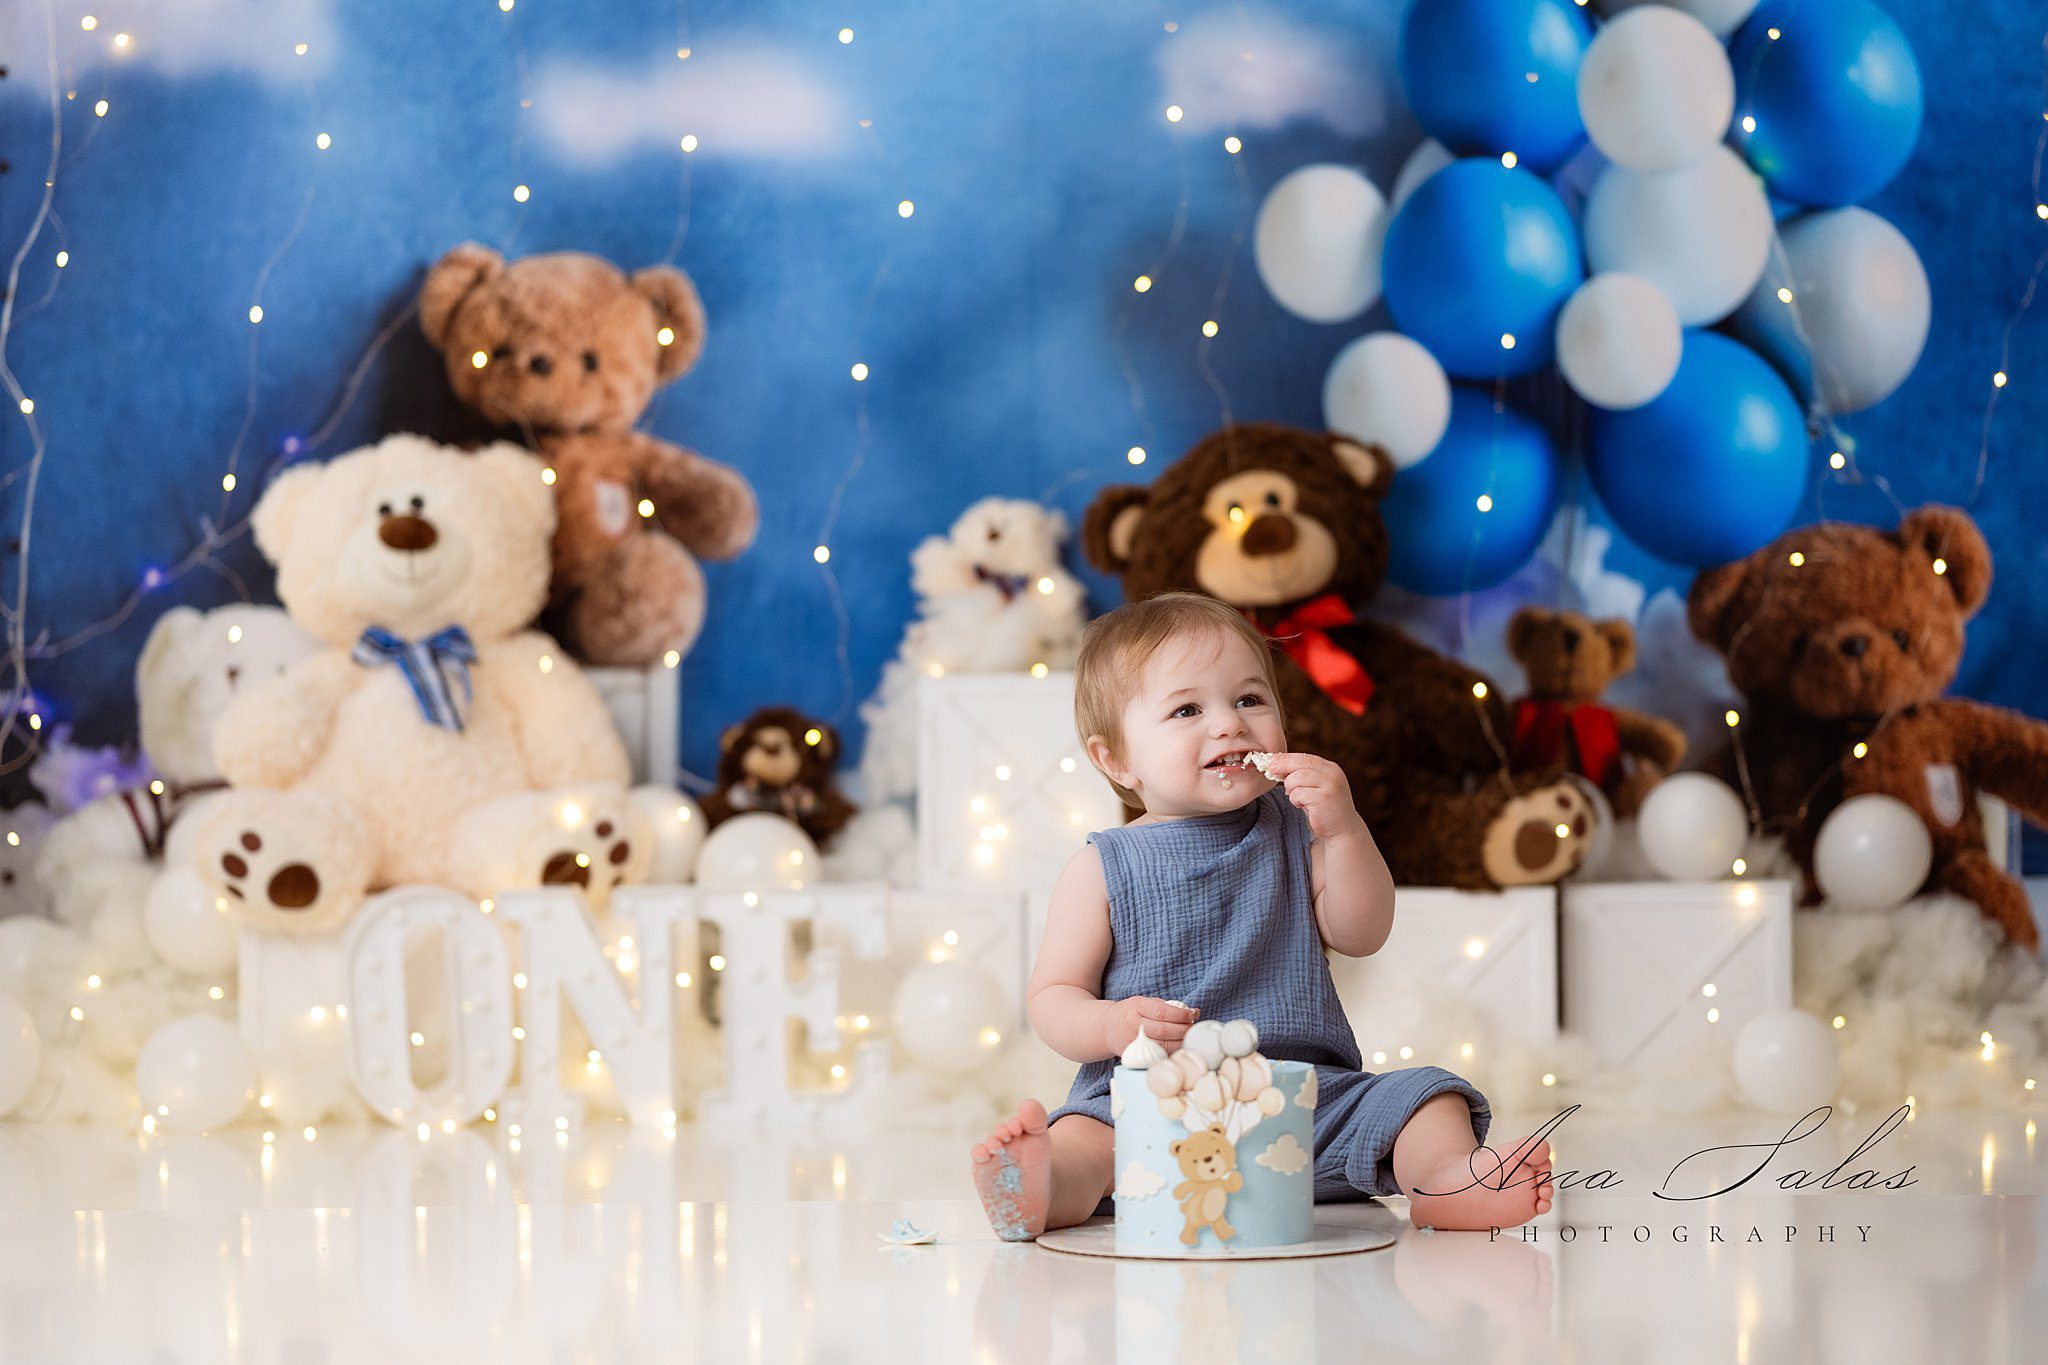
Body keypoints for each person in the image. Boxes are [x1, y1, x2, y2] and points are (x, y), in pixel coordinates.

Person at [971, 592, 1554, 1240]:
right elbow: (1053, 997)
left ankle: (1448, 1177)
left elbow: (1362, 931)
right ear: (1116, 759)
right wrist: (1111, 1024)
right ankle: (1040, 1186)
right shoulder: (1105, 867)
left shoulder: (1295, 830)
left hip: (1303, 1102)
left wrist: (1346, 830)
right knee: (1084, 1139)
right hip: (1151, 1105)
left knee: (1428, 1095)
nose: (1229, 724)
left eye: (1250, 699)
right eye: (1187, 708)